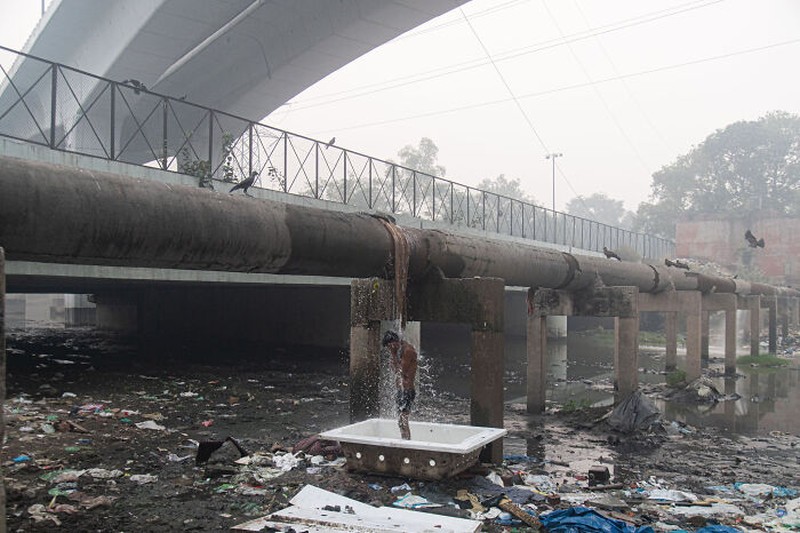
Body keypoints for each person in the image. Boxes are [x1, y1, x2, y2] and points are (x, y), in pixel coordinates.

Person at [382, 330, 418, 440]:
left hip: (406, 390)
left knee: (403, 420)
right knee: (401, 421)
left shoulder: (408, 351)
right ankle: (405, 441)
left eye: (389, 346)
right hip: (402, 390)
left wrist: (393, 354)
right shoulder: (401, 350)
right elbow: (395, 369)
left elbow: (400, 371)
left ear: (395, 342)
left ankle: (407, 443)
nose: (390, 349)